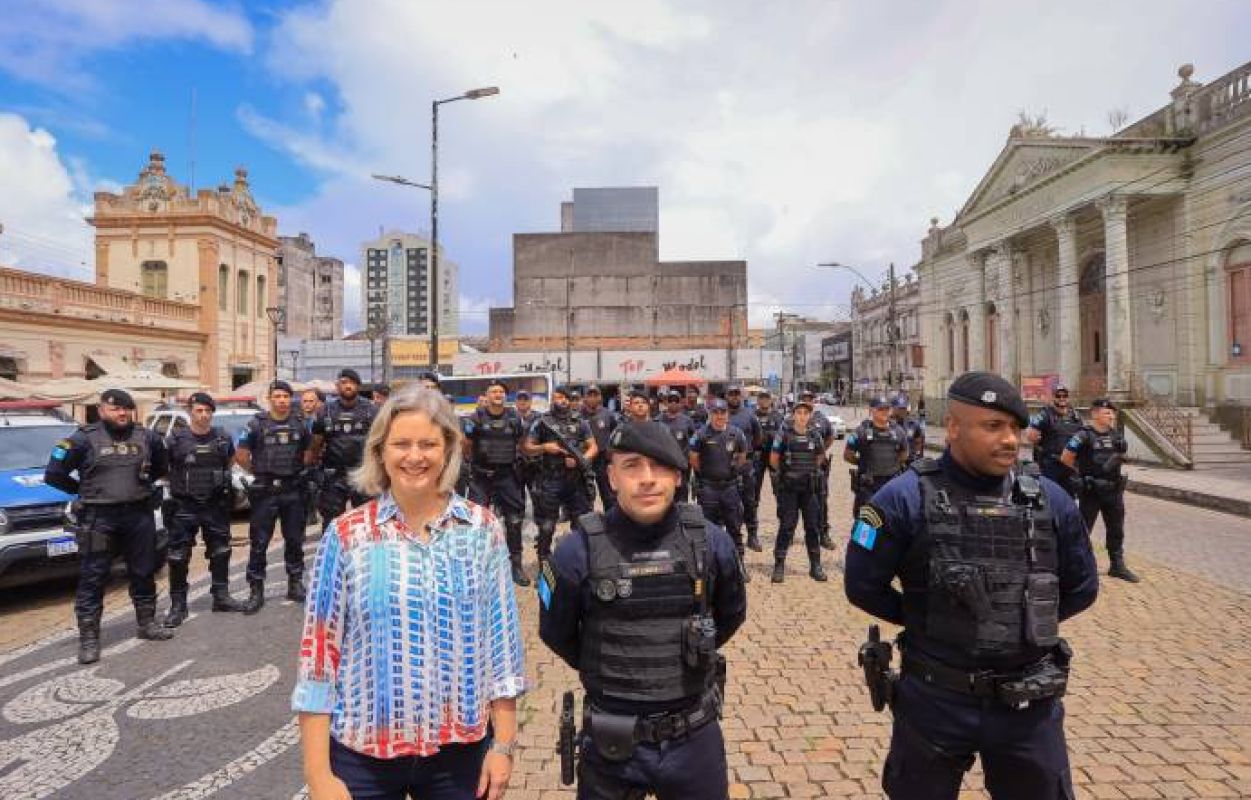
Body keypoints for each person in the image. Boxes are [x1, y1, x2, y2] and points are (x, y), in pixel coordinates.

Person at [844, 372, 1099, 800]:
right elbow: (862, 585)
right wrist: (934, 618)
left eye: (1015, 428)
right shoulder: (899, 499)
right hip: (935, 698)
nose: (1010, 440)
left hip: (1027, 703)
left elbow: (1083, 586)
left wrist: (1021, 620)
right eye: (993, 426)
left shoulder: (1051, 500)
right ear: (955, 428)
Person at [294, 385, 525, 800]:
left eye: (428, 444)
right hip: (362, 756)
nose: (415, 456)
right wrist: (318, 775)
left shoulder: (482, 530)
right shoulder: (346, 535)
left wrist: (503, 747)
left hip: (459, 755)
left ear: (449, 449)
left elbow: (502, 650)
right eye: (401, 443)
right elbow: (318, 658)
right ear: (381, 451)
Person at [537, 422, 747, 800]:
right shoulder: (574, 551)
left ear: (679, 476)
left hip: (692, 737)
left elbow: (730, 616)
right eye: (632, 466)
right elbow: (556, 633)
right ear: (612, 477)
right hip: (611, 742)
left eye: (660, 466)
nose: (647, 479)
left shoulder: (712, 543)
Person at [45, 388, 174, 664]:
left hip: (138, 515)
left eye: (126, 408)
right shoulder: (82, 439)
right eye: (115, 409)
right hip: (99, 518)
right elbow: (54, 474)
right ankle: (89, 639)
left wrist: (145, 485)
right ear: (102, 410)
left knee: (143, 571)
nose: (122, 413)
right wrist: (81, 490)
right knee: (93, 577)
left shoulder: (147, 437)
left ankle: (147, 623)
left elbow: (161, 469)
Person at [162, 392, 247, 626]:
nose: (204, 415)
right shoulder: (176, 439)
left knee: (220, 551)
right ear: (191, 412)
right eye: (199, 410)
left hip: (214, 504)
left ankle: (221, 596)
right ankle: (178, 605)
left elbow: (229, 463)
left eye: (208, 411)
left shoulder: (221, 437)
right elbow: (163, 468)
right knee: (178, 557)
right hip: (184, 505)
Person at [236, 380, 314, 614]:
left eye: (285, 396)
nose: (281, 400)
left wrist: (295, 470)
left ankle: (295, 584)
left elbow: (309, 453)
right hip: (266, 491)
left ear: (291, 399)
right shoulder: (255, 424)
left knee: (294, 539)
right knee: (259, 543)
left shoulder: (300, 424)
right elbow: (241, 455)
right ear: (270, 398)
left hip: (292, 490)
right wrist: (259, 471)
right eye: (277, 396)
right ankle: (256, 590)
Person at [1061, 398, 1139, 582]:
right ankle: (1076, 566)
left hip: (1113, 490)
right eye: (1106, 413)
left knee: (1116, 528)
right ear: (1095, 414)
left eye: (1112, 413)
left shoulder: (1117, 435)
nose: (1111, 416)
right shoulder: (1083, 435)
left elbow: (1120, 456)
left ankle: (1117, 565)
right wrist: (1080, 478)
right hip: (1092, 490)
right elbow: (1066, 458)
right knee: (1083, 529)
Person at [463, 379, 531, 586]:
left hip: (507, 475)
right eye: (493, 391)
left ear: (505, 396)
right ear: (487, 395)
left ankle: (516, 566)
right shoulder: (475, 418)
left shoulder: (514, 419)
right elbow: (465, 445)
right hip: (481, 476)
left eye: (501, 391)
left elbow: (522, 444)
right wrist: (473, 465)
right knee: (477, 522)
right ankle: (477, 566)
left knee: (514, 521)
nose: (497, 394)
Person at [522, 385, 598, 566]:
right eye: (558, 397)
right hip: (550, 480)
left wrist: (581, 460)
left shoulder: (580, 421)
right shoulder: (542, 422)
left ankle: (579, 560)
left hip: (576, 481)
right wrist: (544, 447)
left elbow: (593, 447)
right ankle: (544, 562)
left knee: (581, 523)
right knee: (547, 526)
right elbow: (527, 448)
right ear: (552, 399)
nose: (562, 401)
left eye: (565, 398)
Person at [689, 399, 751, 579]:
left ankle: (739, 565)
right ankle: (711, 568)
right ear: (710, 414)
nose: (719, 416)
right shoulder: (701, 434)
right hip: (708, 488)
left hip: (730, 488)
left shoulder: (736, 433)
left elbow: (742, 455)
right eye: (716, 412)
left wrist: (732, 470)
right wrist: (708, 473)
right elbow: (693, 458)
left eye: (722, 412)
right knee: (709, 529)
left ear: (727, 414)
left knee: (734, 527)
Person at [768, 398, 827, 583]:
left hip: (809, 490)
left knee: (812, 527)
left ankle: (815, 566)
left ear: (810, 416)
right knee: (786, 527)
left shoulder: (815, 435)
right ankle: (779, 565)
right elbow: (773, 459)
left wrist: (807, 472)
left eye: (805, 413)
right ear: (793, 415)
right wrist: (787, 474)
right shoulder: (783, 434)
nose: (802, 416)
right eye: (799, 413)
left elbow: (820, 456)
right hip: (789, 490)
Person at [312, 369, 378, 524]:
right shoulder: (325, 411)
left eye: (352, 383)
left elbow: (380, 442)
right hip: (334, 476)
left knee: (366, 521)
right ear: (337, 386)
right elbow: (315, 444)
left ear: (358, 386)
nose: (348, 386)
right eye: (344, 382)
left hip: (362, 474)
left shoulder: (372, 410)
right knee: (331, 522)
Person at [844, 395, 908, 519]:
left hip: (891, 485)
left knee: (892, 522)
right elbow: (848, 455)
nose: (884, 412)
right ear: (872, 410)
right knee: (866, 524)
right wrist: (864, 463)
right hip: (869, 486)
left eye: (887, 409)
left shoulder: (899, 431)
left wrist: (891, 465)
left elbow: (904, 454)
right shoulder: (861, 431)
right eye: (880, 409)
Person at [724, 385, 764, 553]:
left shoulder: (749, 415)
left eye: (736, 394)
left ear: (740, 396)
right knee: (729, 503)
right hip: (725, 465)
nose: (734, 397)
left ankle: (752, 535)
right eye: (731, 394)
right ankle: (730, 536)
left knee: (749, 501)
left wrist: (747, 453)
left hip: (746, 465)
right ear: (726, 396)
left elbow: (758, 437)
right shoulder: (720, 414)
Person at [1025, 384, 1083, 497]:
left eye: (1064, 395)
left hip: (1070, 464)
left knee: (1069, 496)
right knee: (1050, 495)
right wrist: (1042, 444)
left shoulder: (1076, 416)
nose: (1062, 398)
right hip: (1051, 463)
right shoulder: (1045, 414)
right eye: (1058, 395)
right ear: (1053, 397)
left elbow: (1081, 437)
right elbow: (1031, 436)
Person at [801, 389, 838, 550]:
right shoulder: (792, 418)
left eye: (810, 399)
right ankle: (789, 535)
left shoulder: (822, 419)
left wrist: (821, 453)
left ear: (813, 401)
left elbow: (830, 436)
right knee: (793, 503)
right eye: (804, 399)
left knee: (822, 501)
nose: (807, 401)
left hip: (818, 468)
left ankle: (823, 534)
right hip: (798, 467)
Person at [750, 390, 785, 551]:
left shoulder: (778, 417)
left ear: (771, 400)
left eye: (767, 398)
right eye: (761, 398)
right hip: (756, 459)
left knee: (780, 495)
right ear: (758, 400)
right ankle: (753, 534)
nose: (764, 401)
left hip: (774, 458)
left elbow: (785, 437)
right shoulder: (751, 415)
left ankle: (785, 532)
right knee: (753, 497)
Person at [581, 385, 619, 510]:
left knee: (608, 495)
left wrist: (612, 451)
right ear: (584, 397)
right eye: (589, 395)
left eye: (595, 395)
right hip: (585, 459)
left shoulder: (608, 414)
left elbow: (616, 434)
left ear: (600, 397)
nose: (592, 398)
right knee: (585, 495)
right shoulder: (577, 416)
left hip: (603, 460)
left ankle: (611, 520)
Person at [658, 389, 697, 502]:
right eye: (670, 400)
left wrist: (690, 454)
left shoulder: (687, 421)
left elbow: (694, 438)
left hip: (682, 464)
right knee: (665, 492)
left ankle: (681, 518)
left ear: (680, 403)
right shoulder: (658, 420)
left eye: (676, 401)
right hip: (665, 463)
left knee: (682, 493)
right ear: (666, 402)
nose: (673, 403)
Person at [891, 394, 927, 465]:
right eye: (900, 408)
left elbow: (919, 442)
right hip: (892, 464)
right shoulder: (886, 424)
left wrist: (917, 457)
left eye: (904, 408)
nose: (902, 411)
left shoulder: (913, 424)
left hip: (910, 463)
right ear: (893, 409)